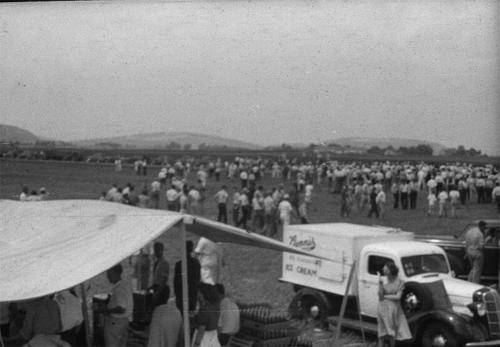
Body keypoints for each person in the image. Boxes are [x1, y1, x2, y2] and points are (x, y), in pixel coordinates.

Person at [94, 264, 133, 347]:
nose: (107, 276)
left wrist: (105, 310)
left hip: (116, 322)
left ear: (115, 273)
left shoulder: (119, 288)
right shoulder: (126, 285)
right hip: (124, 321)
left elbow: (121, 308)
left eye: (109, 273)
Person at [377, 262, 411, 347]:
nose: (383, 270)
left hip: (393, 309)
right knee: (381, 332)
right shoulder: (383, 280)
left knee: (392, 332)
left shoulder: (400, 282)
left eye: (385, 269)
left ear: (390, 270)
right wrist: (380, 284)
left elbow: (398, 297)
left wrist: (385, 296)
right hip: (383, 308)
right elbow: (380, 296)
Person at [174, 241, 201, 314]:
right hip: (192, 294)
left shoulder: (179, 264)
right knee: (190, 315)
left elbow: (176, 282)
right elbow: (198, 279)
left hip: (182, 295)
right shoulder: (196, 263)